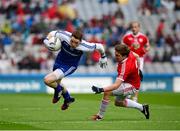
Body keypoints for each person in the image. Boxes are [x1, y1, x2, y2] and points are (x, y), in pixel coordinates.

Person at [43, 29, 107, 110]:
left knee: (47, 80)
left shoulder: (85, 46)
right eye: (72, 41)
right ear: (70, 37)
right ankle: (68, 99)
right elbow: (52, 33)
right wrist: (46, 40)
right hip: (58, 61)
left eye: (76, 43)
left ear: (80, 41)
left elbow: (100, 46)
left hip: (69, 66)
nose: (73, 44)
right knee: (57, 82)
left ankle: (59, 90)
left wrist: (103, 56)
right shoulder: (64, 36)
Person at [91, 44, 149, 120]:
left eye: (117, 55)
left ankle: (99, 116)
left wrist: (101, 89)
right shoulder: (129, 53)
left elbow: (116, 85)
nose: (115, 56)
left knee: (107, 92)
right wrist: (139, 70)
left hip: (132, 86)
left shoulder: (125, 67)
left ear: (124, 56)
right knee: (118, 103)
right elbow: (137, 56)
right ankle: (142, 108)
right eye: (115, 54)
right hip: (127, 82)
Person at [122, 21, 150, 102]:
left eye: (135, 27)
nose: (133, 29)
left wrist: (144, 50)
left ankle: (135, 97)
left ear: (139, 27)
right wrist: (131, 46)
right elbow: (122, 47)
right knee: (127, 75)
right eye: (132, 27)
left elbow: (148, 47)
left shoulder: (143, 37)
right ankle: (128, 93)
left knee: (138, 76)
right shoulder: (127, 37)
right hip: (130, 58)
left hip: (140, 58)